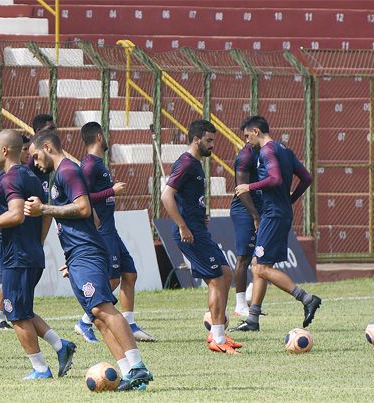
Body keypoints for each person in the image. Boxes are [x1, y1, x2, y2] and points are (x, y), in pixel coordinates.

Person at [24, 129, 153, 390]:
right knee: (95, 316)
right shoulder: (64, 174)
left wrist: (45, 209)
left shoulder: (67, 171)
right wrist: (74, 256)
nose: (36, 163)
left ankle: (138, 365)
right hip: (80, 253)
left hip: (86, 252)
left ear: (47, 147)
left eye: (36, 156)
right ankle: (129, 373)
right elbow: (92, 217)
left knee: (103, 307)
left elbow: (83, 209)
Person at [0, 129, 76, 378]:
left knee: (16, 315)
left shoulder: (10, 178)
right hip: (30, 252)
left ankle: (40, 369)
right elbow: (45, 214)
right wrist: (37, 242)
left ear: (4, 151)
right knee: (23, 309)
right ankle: (60, 345)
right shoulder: (32, 177)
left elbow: (16, 214)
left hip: (17, 256)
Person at [160, 119, 242, 354]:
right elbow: (167, 196)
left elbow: (185, 197)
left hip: (198, 228)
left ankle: (218, 332)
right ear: (196, 140)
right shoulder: (185, 163)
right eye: (209, 140)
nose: (212, 145)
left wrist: (197, 213)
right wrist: (183, 225)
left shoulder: (196, 163)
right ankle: (217, 337)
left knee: (225, 274)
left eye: (213, 140)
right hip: (190, 234)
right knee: (217, 279)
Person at [232, 116, 319, 332]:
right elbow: (306, 177)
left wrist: (249, 187)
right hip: (281, 212)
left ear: (256, 131)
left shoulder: (267, 151)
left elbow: (275, 179)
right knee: (259, 265)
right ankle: (252, 319)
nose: (246, 141)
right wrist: (290, 199)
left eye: (247, 136)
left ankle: (307, 298)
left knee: (260, 267)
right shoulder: (285, 150)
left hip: (272, 214)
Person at [75, 121, 155, 343]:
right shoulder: (89, 166)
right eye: (106, 134)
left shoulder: (99, 164)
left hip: (112, 229)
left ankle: (129, 323)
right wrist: (112, 190)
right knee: (110, 280)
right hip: (102, 231)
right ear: (99, 137)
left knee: (129, 274)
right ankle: (84, 321)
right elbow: (82, 198)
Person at [0, 135, 34, 330]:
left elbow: (19, 214)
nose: (28, 154)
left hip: (20, 243)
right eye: (24, 150)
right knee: (11, 286)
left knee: (19, 302)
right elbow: (1, 207)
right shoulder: (9, 177)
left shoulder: (22, 175)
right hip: (7, 238)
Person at [230, 142, 262, 317]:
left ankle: (252, 296)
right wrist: (255, 216)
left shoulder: (265, 152)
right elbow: (241, 190)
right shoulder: (245, 156)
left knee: (263, 257)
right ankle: (240, 305)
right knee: (244, 257)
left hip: (260, 209)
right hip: (245, 210)